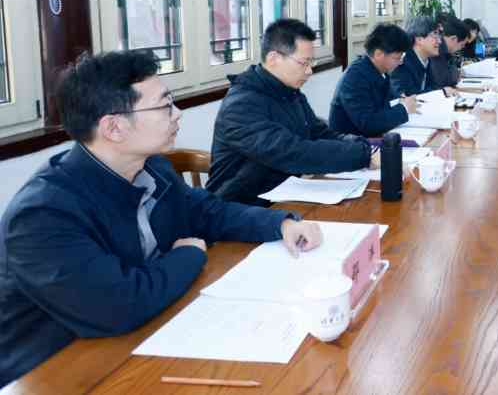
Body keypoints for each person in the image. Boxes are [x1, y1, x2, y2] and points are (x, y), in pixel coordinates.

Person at [0, 51, 323, 387]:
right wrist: (189, 254)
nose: (178, 114)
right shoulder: (42, 216)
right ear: (114, 127)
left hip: (149, 331)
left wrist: (280, 223)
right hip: (59, 370)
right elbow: (119, 305)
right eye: (165, 106)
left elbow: (206, 211)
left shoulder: (150, 166)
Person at [207, 19, 372, 205]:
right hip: (241, 208)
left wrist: (363, 145)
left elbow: (319, 133)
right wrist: (363, 156)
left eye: (311, 62)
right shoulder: (240, 106)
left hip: (284, 196)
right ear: (273, 59)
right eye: (304, 63)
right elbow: (291, 151)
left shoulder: (289, 92)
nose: (309, 71)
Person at [329, 23, 418, 136]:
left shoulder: (379, 71)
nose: (400, 62)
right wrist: (404, 108)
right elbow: (368, 124)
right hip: (350, 142)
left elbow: (385, 104)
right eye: (397, 58)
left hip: (369, 138)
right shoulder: (355, 77)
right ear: (378, 54)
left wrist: (400, 101)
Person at [391, 16, 443, 96]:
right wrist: (442, 92)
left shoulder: (427, 61)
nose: (439, 41)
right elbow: (405, 98)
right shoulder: (401, 63)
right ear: (419, 39)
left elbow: (432, 88)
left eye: (439, 36)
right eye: (435, 35)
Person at [430, 15, 469, 90]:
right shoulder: (438, 49)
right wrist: (456, 74)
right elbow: (445, 80)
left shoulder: (446, 51)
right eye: (461, 45)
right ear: (453, 39)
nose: (461, 48)